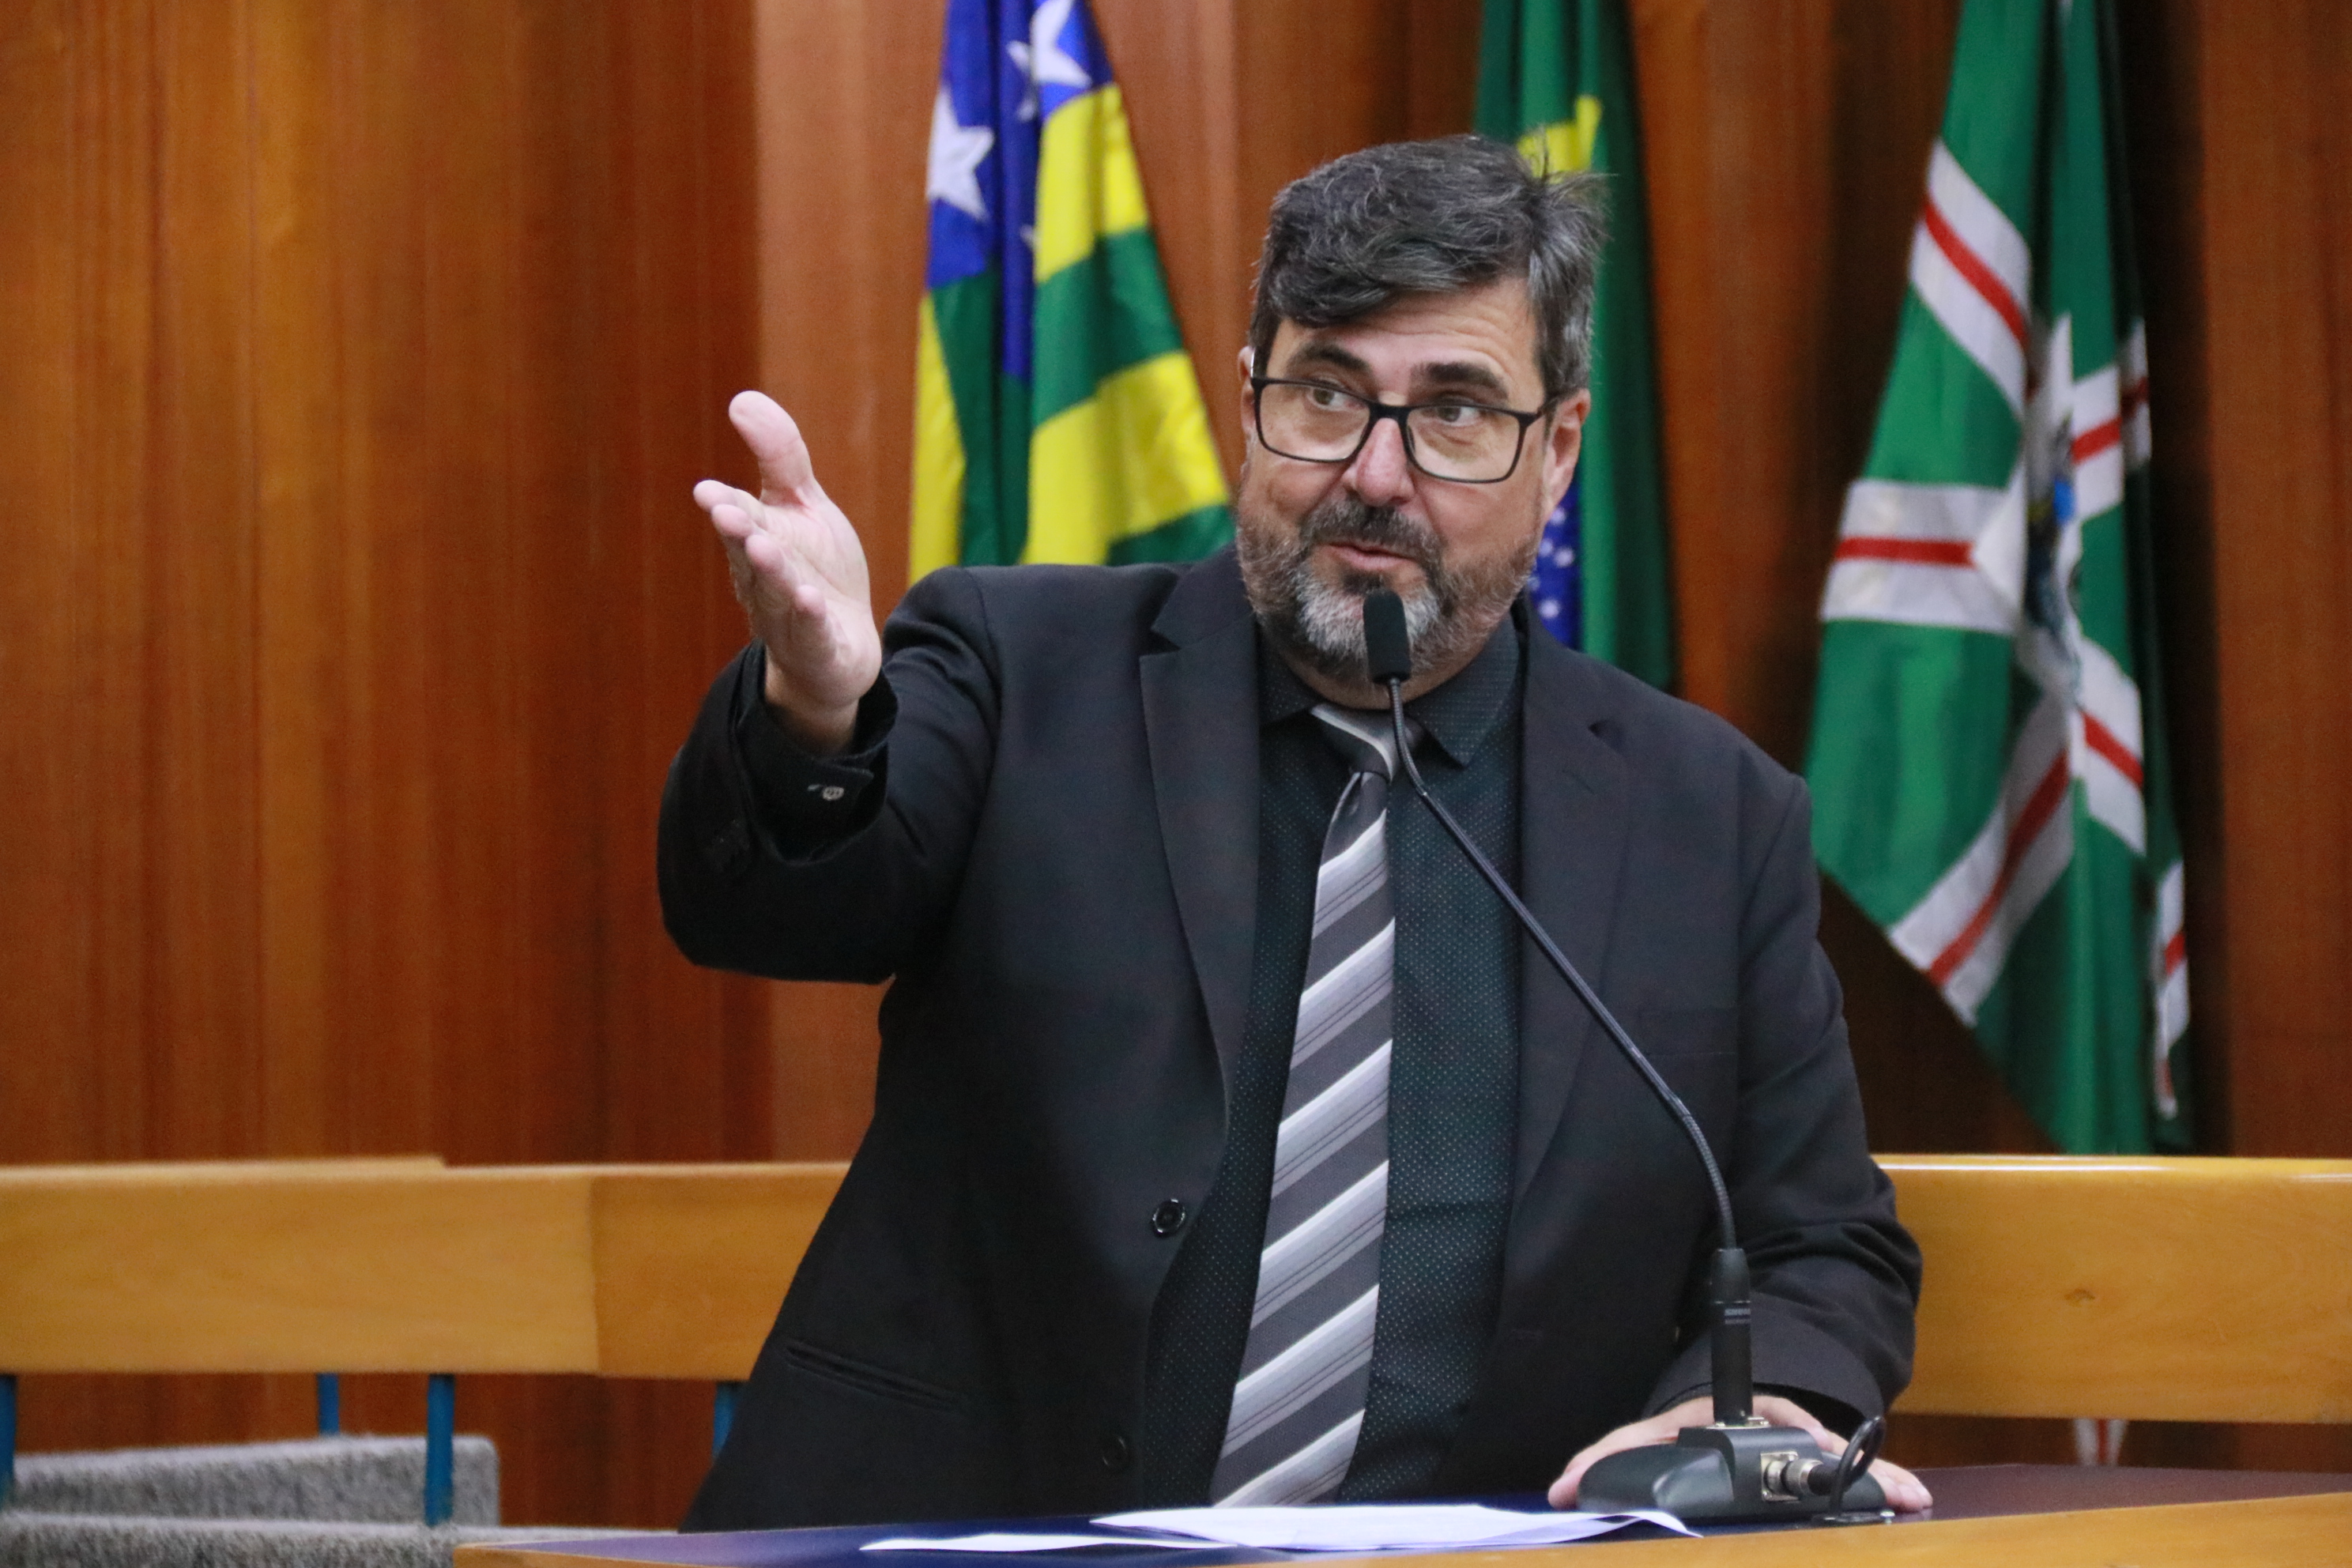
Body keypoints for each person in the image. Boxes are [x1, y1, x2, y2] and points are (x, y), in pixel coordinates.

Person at [660, 135, 1925, 1530]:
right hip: (959, 1542)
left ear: (1558, 449)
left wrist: (1748, 1404)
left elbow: (1821, 1244)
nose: (1375, 474)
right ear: (1249, 395)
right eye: (1325, 392)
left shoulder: (1709, 820)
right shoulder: (1018, 667)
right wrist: (819, 708)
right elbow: (772, 905)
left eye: (1454, 411)